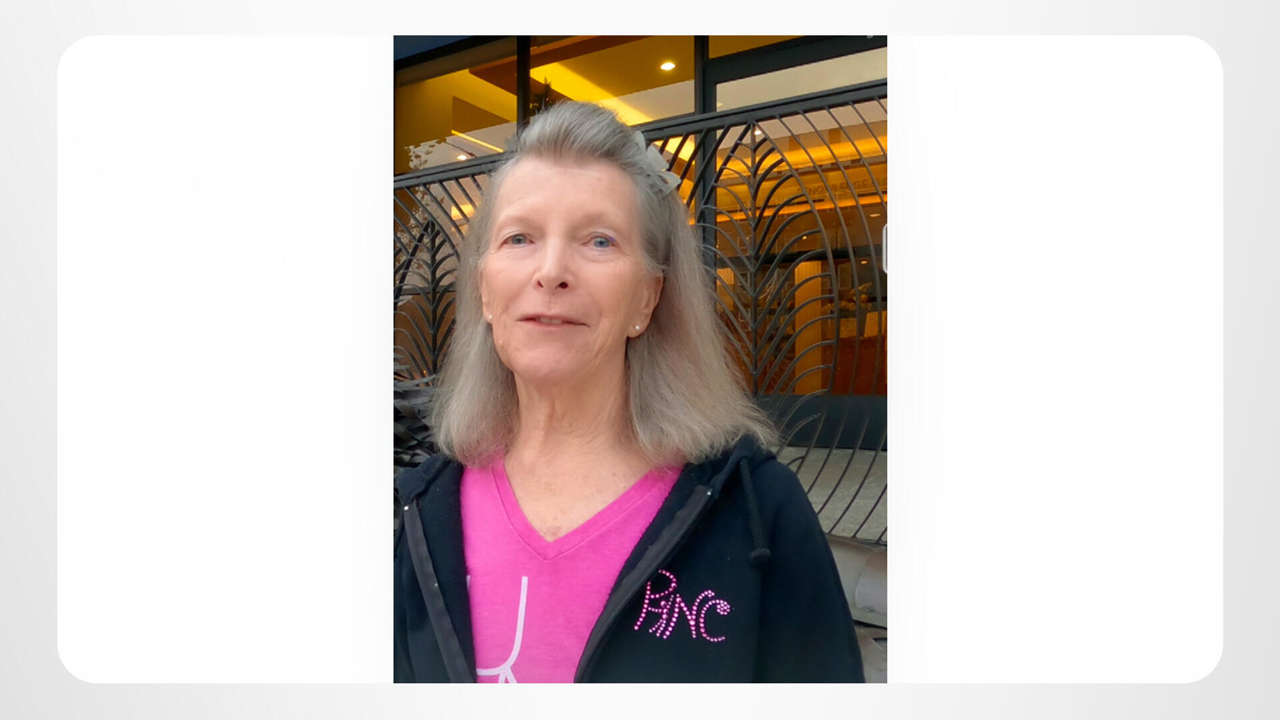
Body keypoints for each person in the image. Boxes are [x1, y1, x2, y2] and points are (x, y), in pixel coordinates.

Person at [394, 101, 864, 683]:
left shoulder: (758, 511)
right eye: (519, 238)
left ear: (647, 297)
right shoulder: (424, 510)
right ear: (485, 291)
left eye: (599, 241)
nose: (551, 271)